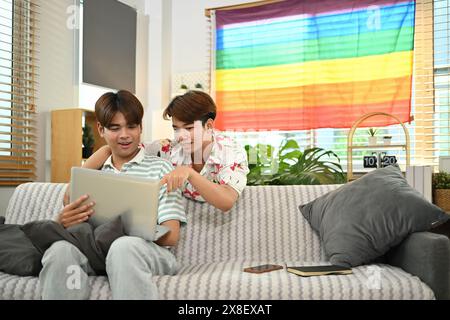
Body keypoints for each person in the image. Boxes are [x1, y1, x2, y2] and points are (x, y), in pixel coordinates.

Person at [39, 90, 187, 300]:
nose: (124, 135)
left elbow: (172, 236)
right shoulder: (91, 174)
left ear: (141, 128)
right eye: (115, 128)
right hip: (97, 251)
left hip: (144, 252)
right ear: (101, 129)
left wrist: (129, 229)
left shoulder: (161, 169)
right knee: (60, 250)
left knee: (122, 247)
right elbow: (70, 222)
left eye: (131, 126)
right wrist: (61, 221)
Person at [82, 90, 249, 212]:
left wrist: (189, 173)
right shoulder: (169, 148)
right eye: (176, 128)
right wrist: (81, 177)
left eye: (189, 128)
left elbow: (227, 201)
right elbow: (118, 149)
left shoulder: (230, 151)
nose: (181, 136)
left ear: (209, 126)